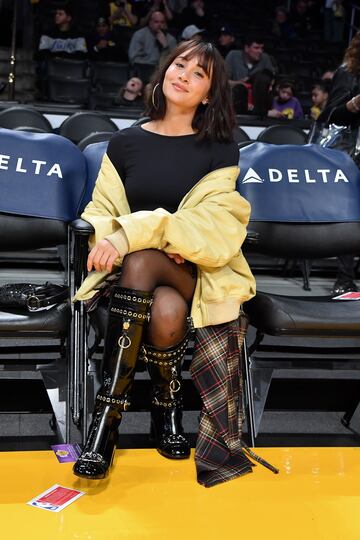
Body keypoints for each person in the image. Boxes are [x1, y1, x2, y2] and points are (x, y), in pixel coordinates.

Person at [72, 39, 258, 485]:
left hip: (197, 271)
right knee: (164, 304)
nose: (184, 76)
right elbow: (99, 212)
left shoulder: (220, 148)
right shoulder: (126, 142)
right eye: (180, 64)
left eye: (198, 74)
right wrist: (114, 236)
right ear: (165, 70)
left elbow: (217, 225)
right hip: (137, 277)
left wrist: (139, 233)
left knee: (147, 258)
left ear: (209, 93)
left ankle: (105, 424)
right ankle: (166, 405)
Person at [317, 31, 360, 295]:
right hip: (354, 154)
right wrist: (354, 104)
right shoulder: (349, 72)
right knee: (354, 217)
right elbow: (329, 114)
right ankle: (344, 279)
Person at [128, 10, 177, 83]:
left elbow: (173, 61)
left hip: (162, 73)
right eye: (156, 22)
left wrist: (165, 46)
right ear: (150, 22)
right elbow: (133, 58)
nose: (159, 25)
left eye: (162, 22)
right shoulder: (140, 35)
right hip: (143, 71)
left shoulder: (171, 40)